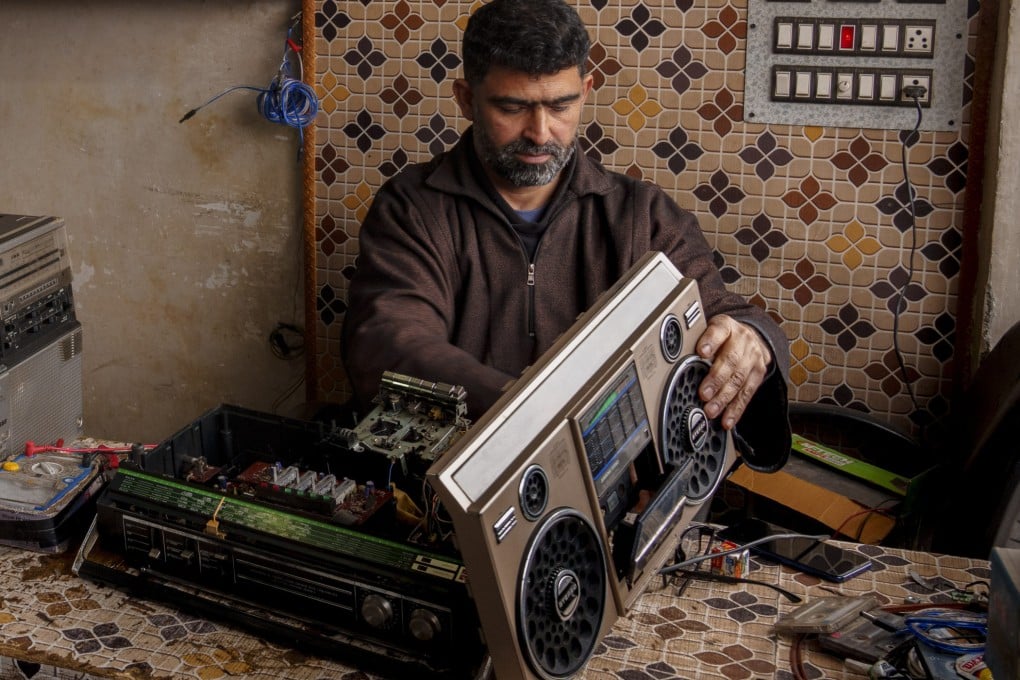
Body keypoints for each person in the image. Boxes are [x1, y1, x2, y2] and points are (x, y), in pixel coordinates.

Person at [342, 0, 790, 470]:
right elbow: (391, 342)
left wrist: (752, 340)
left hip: (609, 490)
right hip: (452, 478)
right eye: (513, 107)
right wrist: (538, 413)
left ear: (587, 90)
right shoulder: (412, 208)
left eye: (561, 105)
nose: (540, 133)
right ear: (466, 99)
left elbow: (722, 313)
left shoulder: (642, 215)